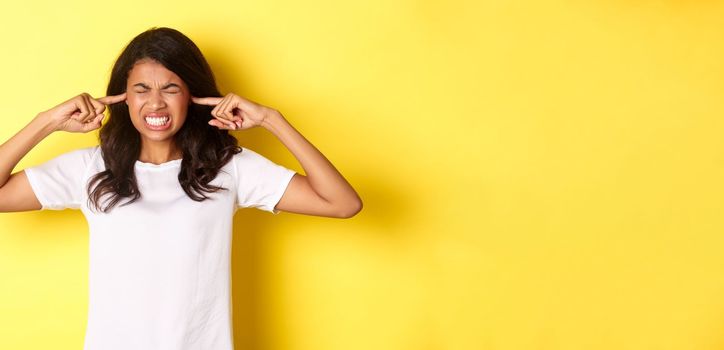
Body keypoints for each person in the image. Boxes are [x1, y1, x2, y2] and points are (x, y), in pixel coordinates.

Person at [0, 26, 362, 350]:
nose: (155, 102)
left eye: (170, 88)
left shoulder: (228, 167)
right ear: (122, 98)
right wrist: (45, 122)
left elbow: (342, 203)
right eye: (141, 89)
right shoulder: (90, 168)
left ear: (192, 95)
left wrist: (271, 120)